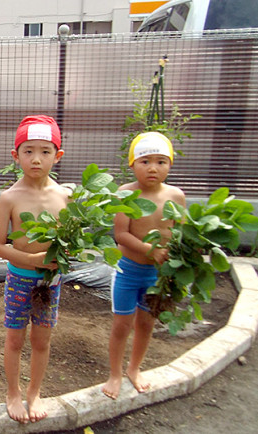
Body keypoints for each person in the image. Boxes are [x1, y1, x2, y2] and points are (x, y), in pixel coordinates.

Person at [0, 115, 69, 423]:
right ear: (16, 155)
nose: (36, 159)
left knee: (42, 340)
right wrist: (35, 261)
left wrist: (64, 254)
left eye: (45, 151)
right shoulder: (10, 197)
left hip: (52, 283)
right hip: (19, 279)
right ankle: (13, 393)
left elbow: (70, 243)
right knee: (14, 340)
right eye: (28, 151)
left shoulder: (65, 196)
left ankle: (34, 393)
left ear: (57, 155)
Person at [102, 132, 185, 399]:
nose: (153, 167)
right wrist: (153, 249)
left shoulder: (176, 196)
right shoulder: (125, 194)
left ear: (170, 165)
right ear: (132, 164)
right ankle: (115, 373)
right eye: (145, 160)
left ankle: (134, 369)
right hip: (128, 271)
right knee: (121, 326)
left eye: (161, 161)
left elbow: (181, 233)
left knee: (147, 324)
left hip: (157, 275)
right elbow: (122, 235)